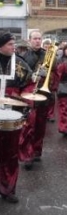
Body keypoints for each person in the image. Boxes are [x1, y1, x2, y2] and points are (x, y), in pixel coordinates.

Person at [0, 31, 33, 203]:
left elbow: (30, 85)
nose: (14, 47)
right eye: (10, 44)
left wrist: (26, 102)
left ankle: (8, 188)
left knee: (11, 153)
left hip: (13, 112)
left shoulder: (20, 63)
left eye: (14, 44)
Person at [19, 30, 55, 170]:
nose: (37, 41)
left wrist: (48, 75)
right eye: (35, 39)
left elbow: (54, 72)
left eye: (39, 39)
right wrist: (32, 75)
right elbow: (21, 76)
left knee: (40, 125)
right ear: (29, 40)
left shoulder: (48, 55)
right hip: (29, 94)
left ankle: (36, 151)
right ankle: (27, 154)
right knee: (29, 125)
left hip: (43, 93)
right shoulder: (23, 56)